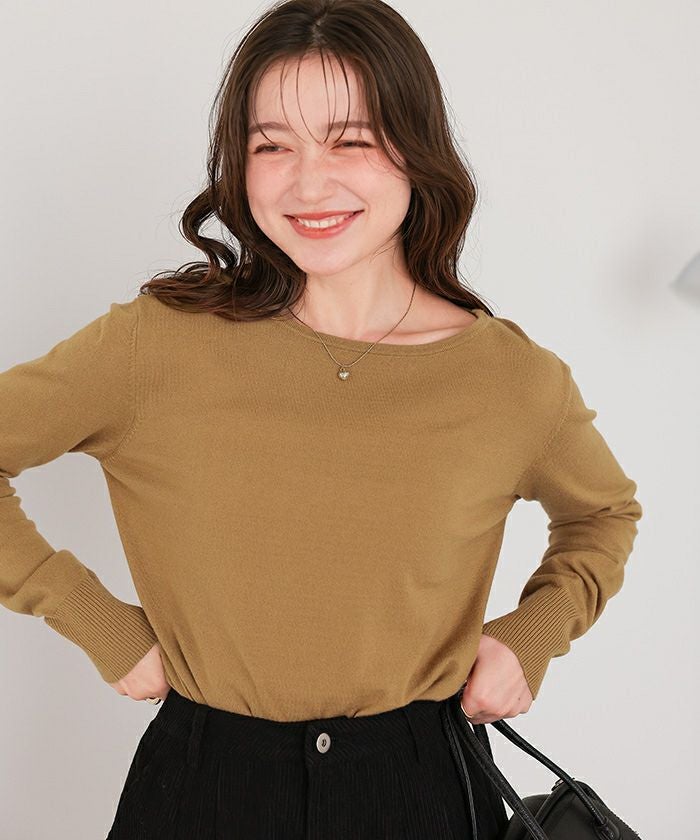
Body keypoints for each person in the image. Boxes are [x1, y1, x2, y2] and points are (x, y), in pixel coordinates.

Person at [0, 0, 643, 838]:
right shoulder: (153, 346)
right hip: (203, 789)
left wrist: (532, 635)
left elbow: (604, 513)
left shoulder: (509, 380)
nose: (308, 184)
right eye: (272, 146)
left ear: (417, 149)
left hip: (423, 791)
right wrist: (96, 623)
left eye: (351, 141)